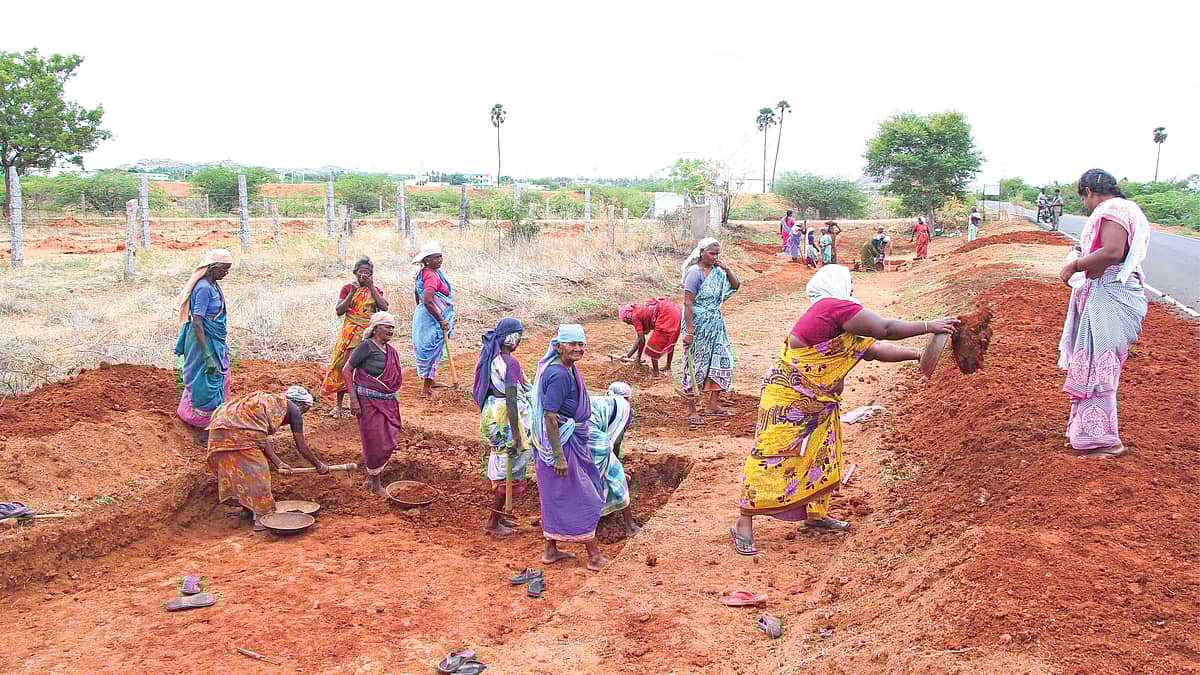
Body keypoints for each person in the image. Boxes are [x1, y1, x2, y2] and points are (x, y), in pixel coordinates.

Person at [731, 266, 959, 554]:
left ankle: (816, 515)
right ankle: (744, 522)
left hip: (818, 401)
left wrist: (918, 356)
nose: (852, 289)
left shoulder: (836, 315)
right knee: (770, 454)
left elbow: (873, 350)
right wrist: (930, 325)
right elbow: (884, 330)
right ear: (836, 285)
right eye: (849, 284)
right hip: (789, 400)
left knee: (819, 454)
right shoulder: (832, 307)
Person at [1056, 169, 1150, 459]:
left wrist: (1075, 266)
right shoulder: (1125, 208)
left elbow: (1112, 251)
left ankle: (1105, 441)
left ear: (1089, 192)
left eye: (1083, 197)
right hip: (1106, 295)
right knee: (1097, 365)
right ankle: (1087, 434)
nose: (1085, 203)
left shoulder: (1114, 209)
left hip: (1111, 297)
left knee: (1101, 368)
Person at [531, 324, 609, 571]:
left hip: (566, 442)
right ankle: (594, 555)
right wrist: (559, 456)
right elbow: (550, 416)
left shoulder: (567, 369)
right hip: (563, 446)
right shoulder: (560, 375)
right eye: (572, 344)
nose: (577, 349)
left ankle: (550, 550)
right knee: (582, 496)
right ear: (558, 346)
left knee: (555, 497)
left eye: (581, 344)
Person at [206, 386, 330, 531]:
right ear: (301, 404)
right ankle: (262, 518)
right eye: (305, 411)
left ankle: (247, 510)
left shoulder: (268, 402)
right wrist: (319, 465)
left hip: (219, 433)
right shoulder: (293, 409)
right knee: (259, 474)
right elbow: (300, 446)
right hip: (239, 433)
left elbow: (260, 438)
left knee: (241, 475)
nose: (302, 414)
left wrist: (279, 463)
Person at [473, 317, 534, 536]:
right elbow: (511, 400)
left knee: (502, 462)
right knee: (509, 467)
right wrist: (518, 435)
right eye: (519, 336)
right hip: (507, 420)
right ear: (512, 339)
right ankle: (492, 522)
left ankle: (500, 517)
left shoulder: (492, 359)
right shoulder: (510, 363)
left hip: (493, 414)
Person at [173, 249, 234, 444]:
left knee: (219, 379)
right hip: (203, 343)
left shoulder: (214, 285)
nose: (226, 273)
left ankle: (210, 422)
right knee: (205, 383)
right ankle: (202, 427)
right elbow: (198, 322)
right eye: (224, 269)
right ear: (213, 267)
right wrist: (207, 356)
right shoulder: (203, 288)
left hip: (213, 341)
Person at [680, 237, 741, 426]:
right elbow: (688, 303)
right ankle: (692, 409)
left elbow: (736, 285)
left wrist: (727, 268)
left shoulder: (718, 273)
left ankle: (712, 405)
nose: (715, 257)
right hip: (698, 324)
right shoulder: (695, 273)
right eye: (711, 253)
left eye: (717, 254)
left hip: (715, 323)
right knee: (695, 365)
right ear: (701, 252)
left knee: (722, 360)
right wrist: (689, 331)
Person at [343, 311, 403, 497]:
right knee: (374, 441)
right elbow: (347, 370)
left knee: (388, 440)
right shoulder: (366, 347)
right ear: (376, 328)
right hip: (368, 403)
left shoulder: (390, 351)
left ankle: (371, 477)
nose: (390, 331)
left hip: (387, 402)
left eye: (392, 327)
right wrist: (353, 399)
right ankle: (375, 484)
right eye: (387, 327)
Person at [320, 257, 388, 417]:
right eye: (360, 272)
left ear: (371, 275)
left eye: (367, 272)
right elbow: (339, 310)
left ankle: (366, 403)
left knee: (366, 366)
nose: (363, 275)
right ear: (355, 273)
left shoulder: (375, 289)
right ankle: (338, 405)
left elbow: (384, 307)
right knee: (344, 364)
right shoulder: (347, 288)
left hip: (369, 333)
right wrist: (351, 292)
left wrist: (372, 288)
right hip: (350, 332)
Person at [588, 381, 640, 538]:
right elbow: (615, 441)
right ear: (628, 398)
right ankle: (630, 526)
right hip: (592, 438)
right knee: (615, 478)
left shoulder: (600, 401)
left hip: (574, 435)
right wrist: (616, 464)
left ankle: (593, 520)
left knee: (588, 479)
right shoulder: (625, 408)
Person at [411, 241, 455, 396]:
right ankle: (426, 389)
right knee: (431, 349)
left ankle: (431, 381)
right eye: (436, 257)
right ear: (427, 260)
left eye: (440, 257)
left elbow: (418, 295)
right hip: (431, 318)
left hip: (424, 315)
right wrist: (441, 320)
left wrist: (421, 309)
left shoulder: (423, 273)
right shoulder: (430, 276)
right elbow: (428, 300)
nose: (440, 260)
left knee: (430, 348)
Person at [618, 297, 683, 377]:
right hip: (675, 311)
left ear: (628, 318)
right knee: (669, 341)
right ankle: (668, 367)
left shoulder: (635, 317)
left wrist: (638, 358)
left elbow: (641, 340)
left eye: (626, 322)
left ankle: (656, 373)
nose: (629, 324)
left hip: (666, 314)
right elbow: (639, 339)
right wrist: (628, 355)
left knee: (652, 345)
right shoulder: (639, 311)